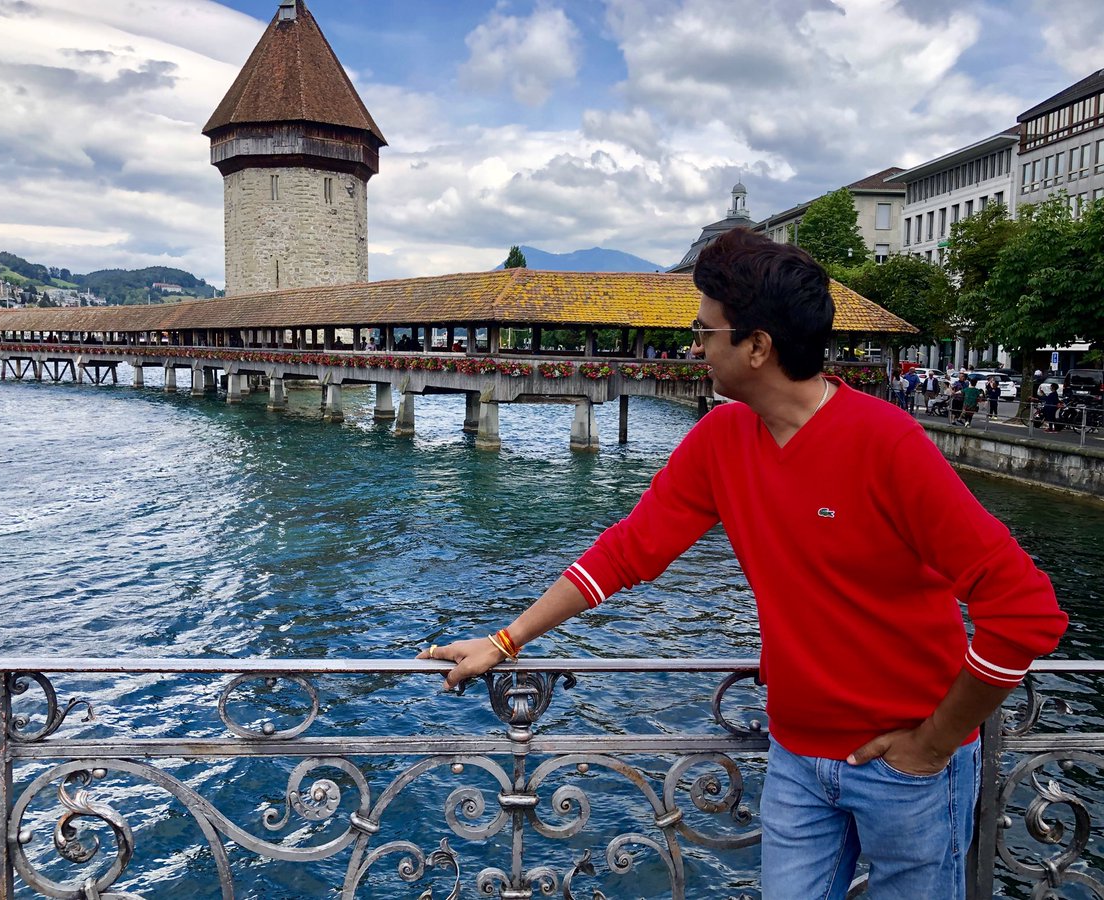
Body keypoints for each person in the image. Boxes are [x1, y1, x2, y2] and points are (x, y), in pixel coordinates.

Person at [422, 228, 1065, 900]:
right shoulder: (722, 440)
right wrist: (505, 641)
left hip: (906, 767)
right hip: (797, 757)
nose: (693, 348)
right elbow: (627, 551)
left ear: (757, 347)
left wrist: (934, 743)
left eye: (705, 332)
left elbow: (1024, 611)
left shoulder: (888, 445)